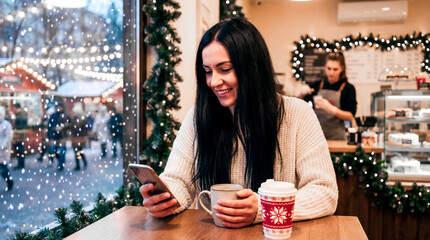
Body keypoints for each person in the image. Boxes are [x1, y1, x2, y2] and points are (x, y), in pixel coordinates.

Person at [139, 18, 338, 228]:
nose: (213, 82)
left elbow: (324, 192)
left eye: (224, 69)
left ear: (252, 68)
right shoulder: (198, 116)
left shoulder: (298, 114)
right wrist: (165, 199)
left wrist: (263, 208)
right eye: (207, 71)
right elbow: (178, 180)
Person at [301, 52, 357, 140]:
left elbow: (350, 116)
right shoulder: (316, 85)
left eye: (335, 69)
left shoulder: (348, 88)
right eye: (329, 68)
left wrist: (331, 109)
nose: (331, 73)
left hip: (337, 138)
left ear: (342, 69)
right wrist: (301, 93)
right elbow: (301, 106)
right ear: (324, 67)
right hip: (316, 137)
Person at [47, 102, 70, 171]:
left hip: (62, 136)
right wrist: (49, 134)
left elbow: (69, 124)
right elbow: (49, 126)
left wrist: (62, 126)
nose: (59, 108)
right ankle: (60, 162)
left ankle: (61, 164)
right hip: (54, 136)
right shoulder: (53, 115)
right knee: (53, 150)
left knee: (62, 151)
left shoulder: (65, 115)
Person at [69, 103, 88, 170]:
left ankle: (80, 164)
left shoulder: (82, 118)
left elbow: (79, 125)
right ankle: (80, 164)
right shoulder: (74, 118)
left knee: (79, 151)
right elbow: (71, 126)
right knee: (76, 151)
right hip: (75, 136)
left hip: (80, 136)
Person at [0, 106, 14, 191]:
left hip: (3, 150)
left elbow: (8, 137)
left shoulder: (6, 124)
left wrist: (2, 146)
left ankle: (9, 181)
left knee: (3, 168)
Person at [11, 103, 28, 169]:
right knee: (20, 149)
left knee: (20, 149)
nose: (13, 109)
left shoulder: (21, 115)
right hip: (20, 135)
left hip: (19, 135)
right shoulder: (21, 114)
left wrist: (15, 138)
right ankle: (21, 164)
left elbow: (19, 127)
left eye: (14, 108)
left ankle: (20, 164)